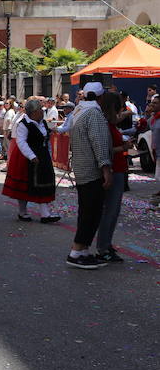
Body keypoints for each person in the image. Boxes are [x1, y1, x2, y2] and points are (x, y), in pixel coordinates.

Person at [66, 82, 113, 269]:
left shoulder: (79, 110)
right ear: (100, 98)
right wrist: (106, 168)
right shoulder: (93, 113)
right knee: (91, 212)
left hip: (81, 166)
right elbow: (99, 143)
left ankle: (83, 250)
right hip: (91, 169)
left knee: (87, 210)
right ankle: (76, 251)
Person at [0, 98, 59, 222]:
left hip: (42, 156)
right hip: (25, 157)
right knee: (25, 184)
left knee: (44, 181)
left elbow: (46, 134)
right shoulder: (24, 124)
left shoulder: (42, 122)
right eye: (40, 110)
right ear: (32, 112)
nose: (42, 112)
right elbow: (21, 141)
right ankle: (23, 212)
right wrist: (31, 156)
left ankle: (45, 214)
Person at [95, 91, 133, 263]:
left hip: (118, 168)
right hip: (113, 169)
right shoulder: (105, 125)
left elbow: (117, 119)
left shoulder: (108, 122)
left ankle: (106, 244)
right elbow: (104, 149)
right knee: (109, 211)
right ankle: (103, 247)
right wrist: (123, 146)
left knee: (113, 211)